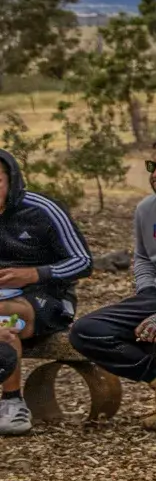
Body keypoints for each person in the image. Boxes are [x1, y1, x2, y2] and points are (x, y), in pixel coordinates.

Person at [68, 132, 156, 432]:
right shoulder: (147, 209)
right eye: (153, 166)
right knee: (86, 332)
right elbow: (143, 258)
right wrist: (146, 293)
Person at [0, 146, 92, 435]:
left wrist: (34, 273)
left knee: (4, 318)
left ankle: (12, 404)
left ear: (11, 180)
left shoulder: (42, 209)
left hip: (47, 298)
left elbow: (83, 261)